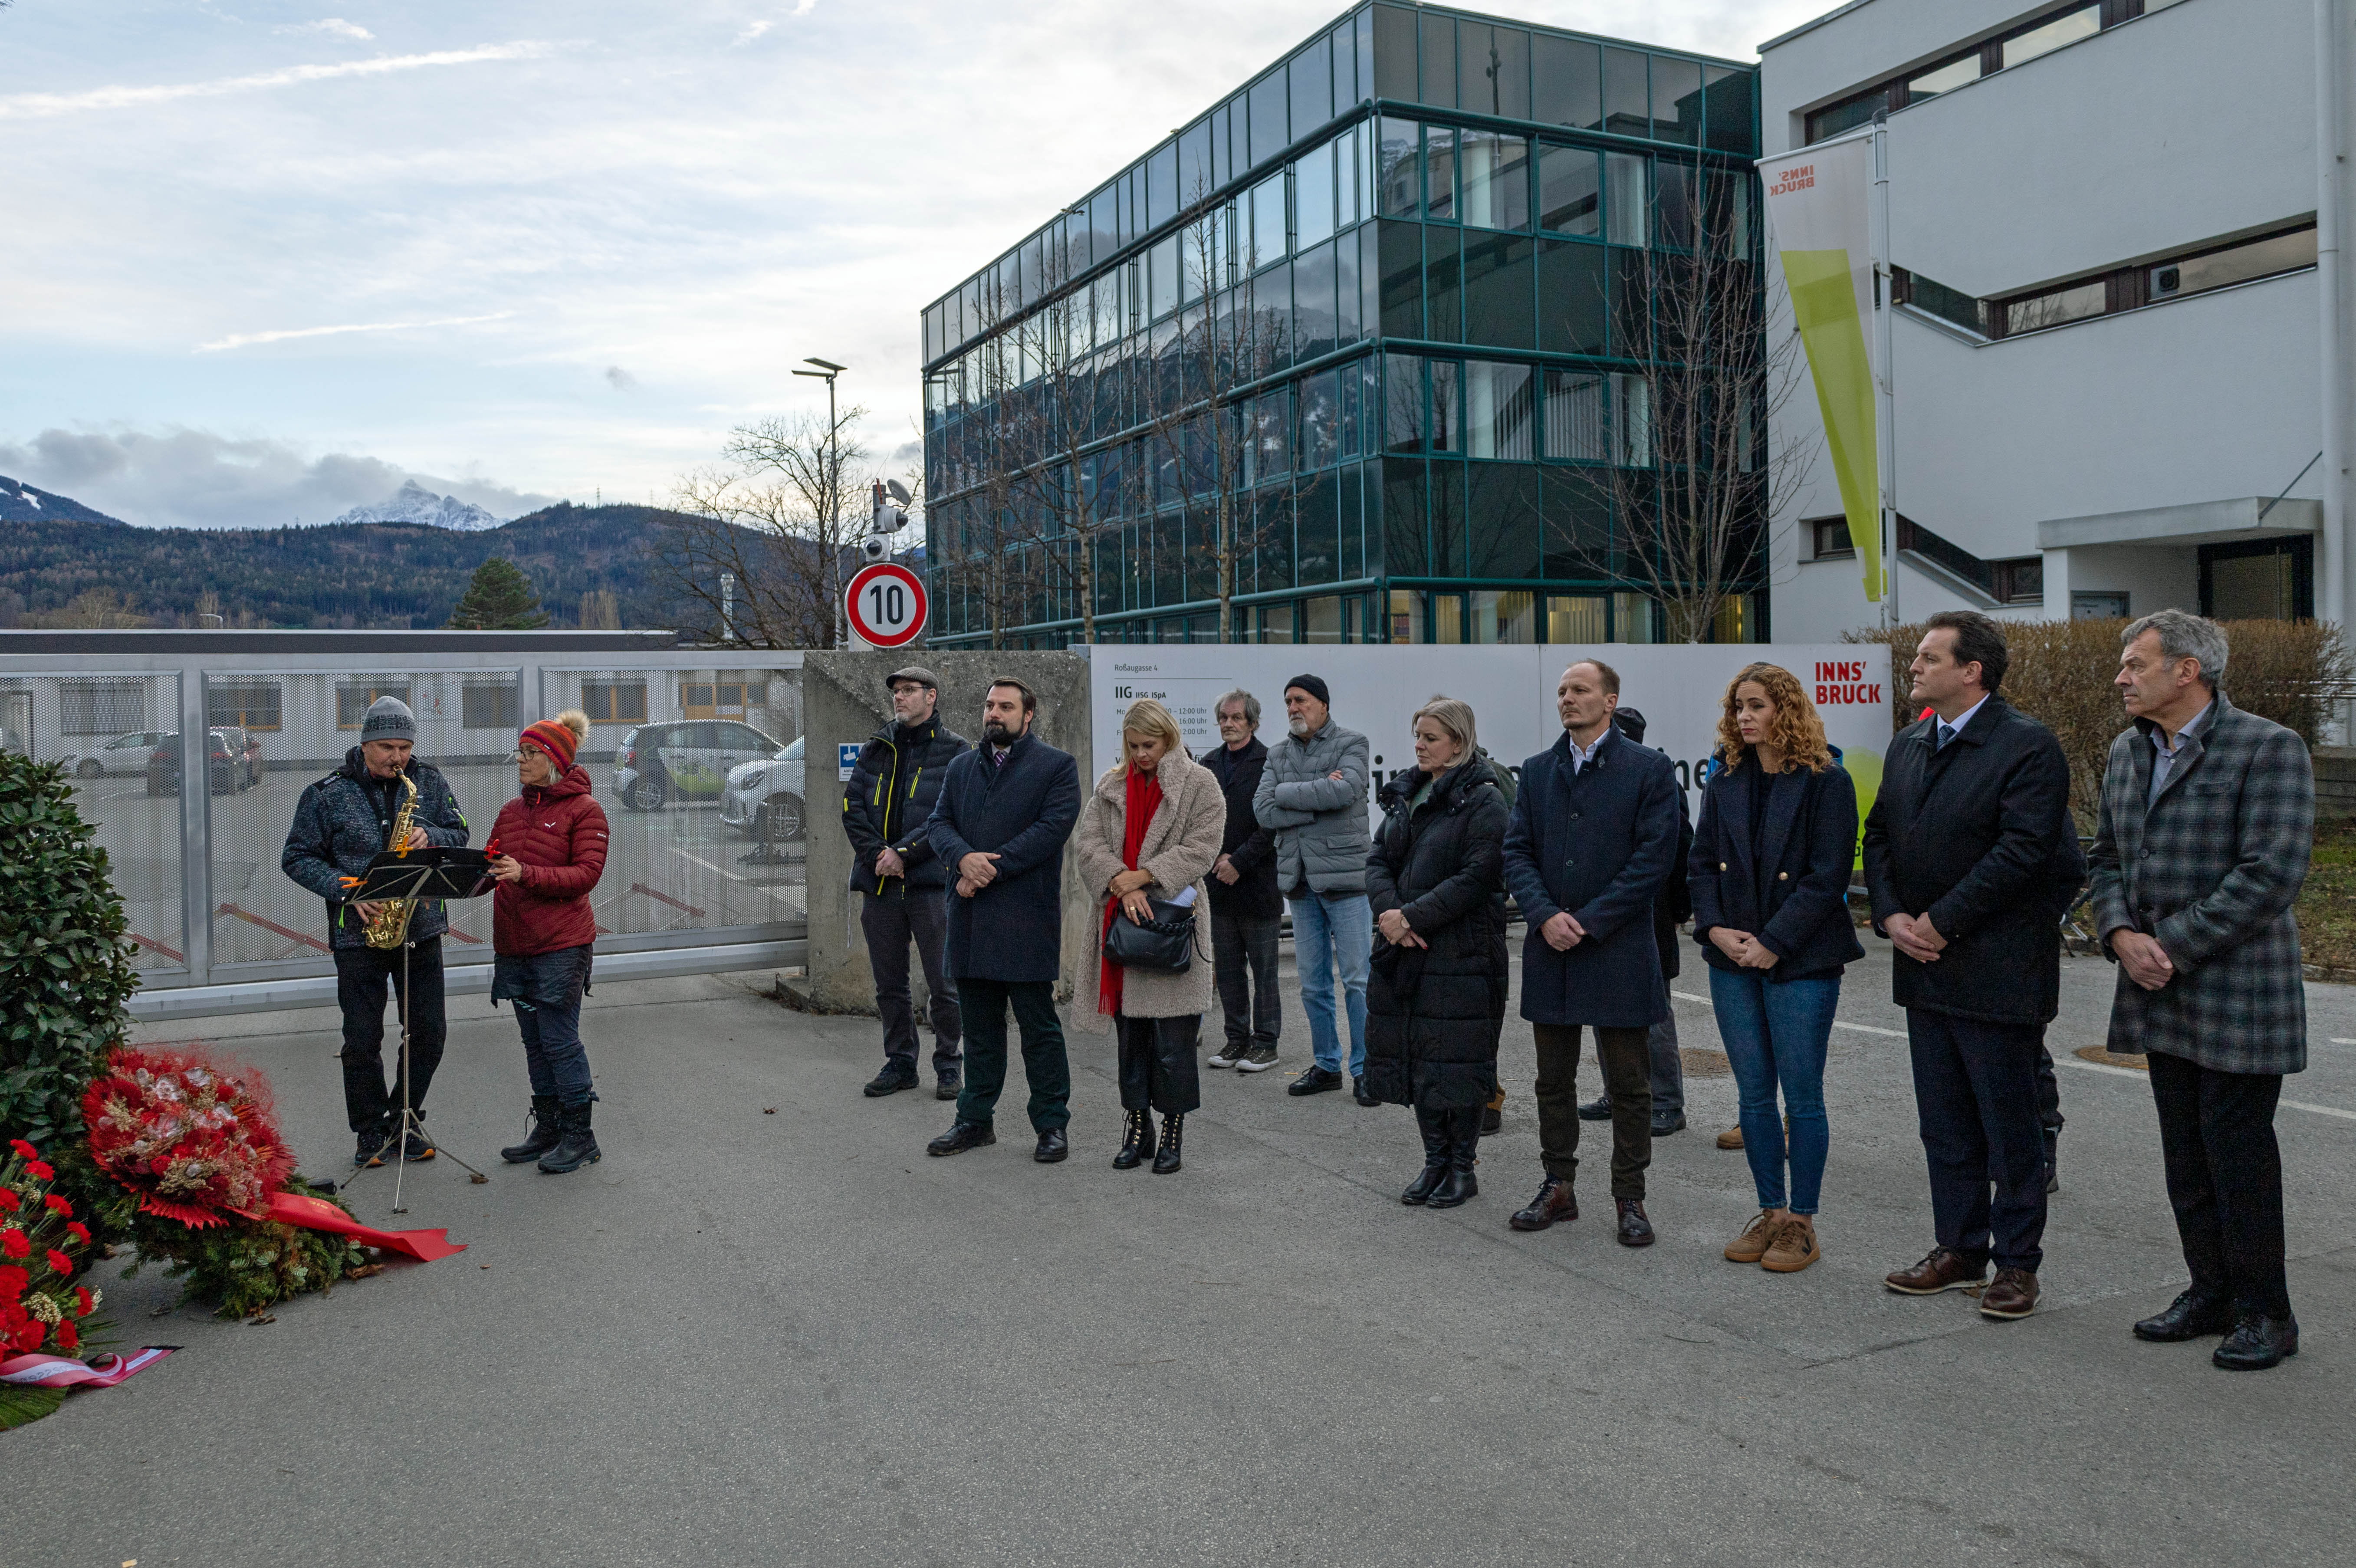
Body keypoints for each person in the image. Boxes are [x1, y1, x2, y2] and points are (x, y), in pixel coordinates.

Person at [2090, 611, 2314, 1371]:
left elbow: (2271, 872)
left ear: (2186, 671)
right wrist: (2119, 933)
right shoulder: (2127, 750)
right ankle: (2209, 1292)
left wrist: (2170, 944)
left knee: (2237, 1157)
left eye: (2135, 664)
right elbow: (2105, 857)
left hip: (2237, 990)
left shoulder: (2267, 747)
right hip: (2156, 986)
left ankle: (2266, 1312)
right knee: (2184, 1155)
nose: (2121, 677)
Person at [1863, 611, 2083, 1321]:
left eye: (1929, 657)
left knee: (2008, 1127)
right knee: (1945, 1123)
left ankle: (2017, 1263)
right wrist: (1891, 914)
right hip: (1924, 968)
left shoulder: (2025, 746)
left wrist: (1940, 920)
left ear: (1972, 670)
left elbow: (2024, 852)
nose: (1914, 666)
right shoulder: (1909, 742)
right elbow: (1878, 833)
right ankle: (1958, 1248)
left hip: (1997, 971)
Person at [1690, 664, 1865, 1274]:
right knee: (1754, 1097)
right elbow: (1700, 862)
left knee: (1803, 1097)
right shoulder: (1725, 778)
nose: (1744, 716)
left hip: (1802, 961)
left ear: (1785, 710)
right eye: (1738, 706)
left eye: (1757, 705)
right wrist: (1714, 929)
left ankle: (1801, 1224)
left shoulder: (1826, 781)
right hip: (1731, 957)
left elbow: (1827, 876)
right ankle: (1770, 1212)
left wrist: (1774, 941)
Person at [1502, 661, 1682, 1247]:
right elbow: (1516, 852)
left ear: (1609, 701)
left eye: (1579, 690)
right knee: (1552, 1080)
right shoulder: (1537, 771)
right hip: (1551, 946)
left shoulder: (1649, 769)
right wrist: (1542, 914)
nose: (1566, 698)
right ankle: (1558, 1186)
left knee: (1629, 1083)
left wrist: (1589, 921)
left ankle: (1629, 1195)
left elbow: (1653, 860)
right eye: (1561, 691)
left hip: (1617, 946)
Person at [280, 696, 471, 1166]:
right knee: (363, 1038)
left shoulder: (429, 781)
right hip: (358, 934)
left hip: (420, 928)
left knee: (429, 1033)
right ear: (365, 744)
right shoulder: (326, 793)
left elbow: (460, 832)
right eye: (387, 747)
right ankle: (369, 1130)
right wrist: (347, 889)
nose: (397, 757)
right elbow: (297, 857)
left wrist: (433, 837)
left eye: (405, 747)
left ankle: (405, 1119)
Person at [923, 678, 1083, 1164]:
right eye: (990, 705)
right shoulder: (960, 767)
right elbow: (938, 824)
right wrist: (962, 859)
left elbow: (1051, 830)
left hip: (1025, 919)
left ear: (1027, 714)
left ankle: (1051, 1124)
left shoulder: (1056, 766)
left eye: (1006, 707)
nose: (994, 713)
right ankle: (974, 1120)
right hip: (970, 919)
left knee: (1039, 1030)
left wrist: (985, 869)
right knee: (980, 1030)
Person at [1364, 698, 1508, 1210]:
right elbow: (1377, 859)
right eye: (1418, 737)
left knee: (1459, 1065)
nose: (1420, 746)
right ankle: (1434, 1162)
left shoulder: (1484, 799)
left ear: (1458, 743)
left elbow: (1477, 876)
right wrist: (1390, 915)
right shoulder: (1408, 792)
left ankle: (1461, 1169)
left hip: (1462, 953)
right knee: (1418, 1059)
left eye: (1430, 738)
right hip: (1406, 947)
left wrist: (1411, 917)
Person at [1074, 699, 1225, 1173]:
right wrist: (1121, 881)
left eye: (1149, 745)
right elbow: (1087, 844)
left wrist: (1145, 876)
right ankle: (1138, 1126)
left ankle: (1173, 1131)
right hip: (1122, 926)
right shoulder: (1110, 785)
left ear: (1169, 738)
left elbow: (1202, 847)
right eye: (1134, 745)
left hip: (1170, 926)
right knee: (1131, 1040)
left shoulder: (1199, 783)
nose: (1141, 754)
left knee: (1174, 1043)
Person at [485, 710, 609, 1174]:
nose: (520, 760)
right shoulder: (511, 811)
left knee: (559, 1040)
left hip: (561, 946)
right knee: (534, 1042)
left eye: (529, 753)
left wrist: (525, 873)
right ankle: (549, 1127)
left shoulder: (585, 810)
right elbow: (494, 864)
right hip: (515, 945)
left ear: (554, 760)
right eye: (520, 752)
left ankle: (581, 1136)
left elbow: (586, 875)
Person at [843, 667, 971, 1101]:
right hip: (879, 883)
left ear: (931, 696)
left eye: (908, 690)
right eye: (896, 691)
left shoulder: (956, 751)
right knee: (889, 985)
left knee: (944, 984)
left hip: (930, 886)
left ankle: (949, 1064)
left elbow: (950, 816)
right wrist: (879, 856)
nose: (899, 697)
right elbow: (851, 809)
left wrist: (903, 853)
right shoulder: (876, 747)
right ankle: (900, 1063)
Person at [1252, 674, 1376, 1104]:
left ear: (1323, 704)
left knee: (1358, 981)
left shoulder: (1351, 743)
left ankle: (1366, 1069)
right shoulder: (1277, 753)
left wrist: (1287, 795)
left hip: (1347, 882)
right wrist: (1316, 804)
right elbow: (1263, 810)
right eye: (1288, 701)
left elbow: (1345, 790)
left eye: (1300, 700)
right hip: (1300, 882)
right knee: (1312, 985)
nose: (1292, 708)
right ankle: (1327, 1065)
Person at [1577, 705, 1693, 1139]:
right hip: (1598, 917)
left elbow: (1681, 851)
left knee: (1654, 1015)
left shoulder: (1656, 779)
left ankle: (1665, 1102)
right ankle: (1616, 1093)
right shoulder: (1589, 779)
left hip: (1650, 917)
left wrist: (1679, 911)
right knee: (1601, 1008)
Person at [1203, 690, 1282, 1075]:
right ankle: (1236, 1039)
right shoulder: (1208, 764)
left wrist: (1239, 861)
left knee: (1264, 972)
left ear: (1252, 722)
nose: (1228, 724)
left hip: (1258, 886)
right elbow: (1200, 819)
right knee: (1228, 969)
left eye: (1236, 717)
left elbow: (1273, 824)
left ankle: (1266, 1043)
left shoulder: (1270, 762)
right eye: (1223, 717)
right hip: (1218, 887)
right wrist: (1213, 859)